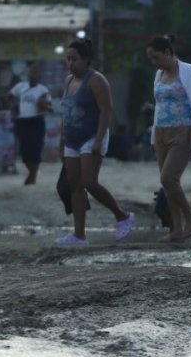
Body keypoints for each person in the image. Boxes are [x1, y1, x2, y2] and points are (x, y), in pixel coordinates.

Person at [56, 39, 135, 246]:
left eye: (74, 59)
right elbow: (65, 112)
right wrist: (61, 139)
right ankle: (79, 235)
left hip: (91, 137)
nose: (70, 63)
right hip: (71, 140)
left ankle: (122, 216)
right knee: (74, 185)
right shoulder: (67, 81)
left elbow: (106, 110)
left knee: (89, 182)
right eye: (68, 59)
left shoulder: (96, 80)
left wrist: (98, 139)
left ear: (86, 59)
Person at [146, 34, 191, 243]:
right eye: (152, 59)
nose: (155, 62)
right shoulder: (158, 75)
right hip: (162, 132)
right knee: (170, 184)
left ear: (168, 53)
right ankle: (177, 229)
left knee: (168, 178)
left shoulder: (187, 71)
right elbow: (158, 107)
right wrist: (154, 136)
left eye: (157, 57)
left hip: (183, 131)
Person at [6, 65, 52, 185]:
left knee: (35, 149)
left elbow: (50, 107)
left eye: (36, 73)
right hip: (22, 121)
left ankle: (32, 176)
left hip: (36, 121)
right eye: (32, 73)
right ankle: (32, 173)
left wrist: (42, 104)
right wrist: (12, 109)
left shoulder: (43, 90)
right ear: (28, 74)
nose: (33, 75)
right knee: (24, 151)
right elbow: (9, 96)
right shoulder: (21, 86)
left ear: (40, 76)